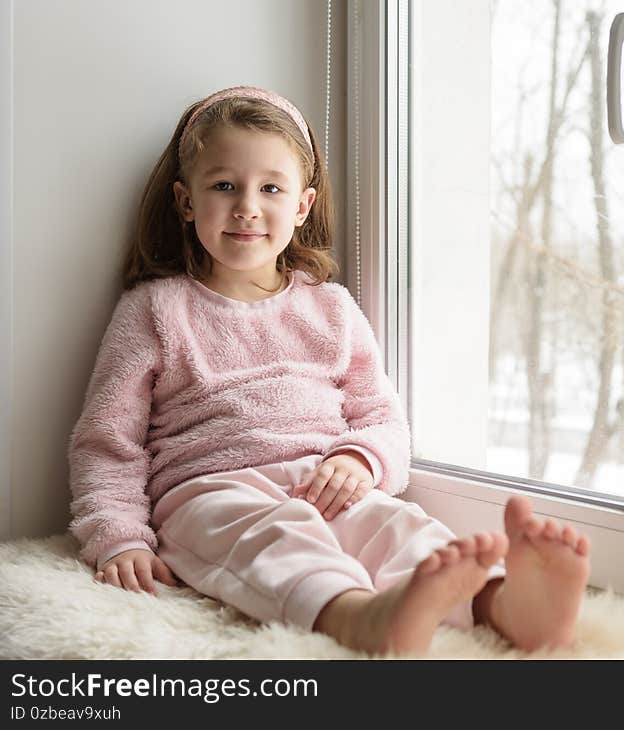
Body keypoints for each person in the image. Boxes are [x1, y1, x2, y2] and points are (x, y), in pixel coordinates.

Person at [67, 85, 591, 656]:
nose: (247, 206)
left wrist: (359, 460)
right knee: (276, 544)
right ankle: (363, 618)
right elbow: (105, 443)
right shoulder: (155, 309)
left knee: (397, 527)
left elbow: (382, 415)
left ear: (302, 206)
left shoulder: (331, 307)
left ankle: (505, 605)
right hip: (209, 493)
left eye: (271, 188)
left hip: (324, 480)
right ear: (186, 200)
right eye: (224, 185)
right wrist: (119, 538)